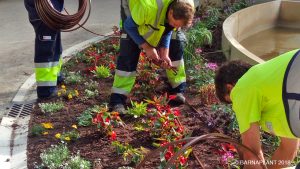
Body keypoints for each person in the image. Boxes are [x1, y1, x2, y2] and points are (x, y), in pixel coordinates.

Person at [214, 49, 300, 169]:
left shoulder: (242, 88)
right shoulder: (271, 80)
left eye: (232, 101)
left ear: (230, 88)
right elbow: (289, 149)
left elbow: (252, 155)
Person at [110, 0, 195, 113]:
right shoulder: (147, 8)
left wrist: (164, 53)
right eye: (175, 23)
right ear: (170, 12)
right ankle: (117, 100)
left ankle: (177, 90)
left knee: (176, 40)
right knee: (129, 51)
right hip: (134, 8)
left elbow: (168, 28)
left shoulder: (185, 6)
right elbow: (129, 26)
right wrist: (148, 47)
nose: (174, 26)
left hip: (155, 12)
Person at [24, 0, 64, 99]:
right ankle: (46, 89)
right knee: (47, 48)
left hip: (52, 6)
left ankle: (56, 77)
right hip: (43, 7)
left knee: (55, 43)